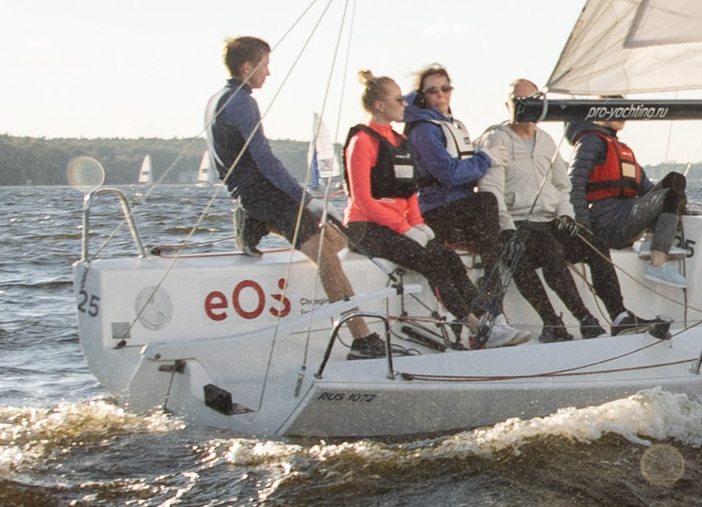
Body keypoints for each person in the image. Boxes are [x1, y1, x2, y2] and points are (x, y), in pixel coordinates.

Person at [205, 35, 382, 359]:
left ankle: (254, 222)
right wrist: (307, 199)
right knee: (326, 257)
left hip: (253, 194)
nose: (268, 73)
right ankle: (361, 338)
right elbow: (264, 158)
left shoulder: (219, 98)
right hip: (261, 193)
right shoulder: (243, 102)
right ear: (248, 67)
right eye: (265, 65)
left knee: (337, 238)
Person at [478, 79, 647, 341]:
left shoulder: (546, 141)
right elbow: (491, 191)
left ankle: (619, 316)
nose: (525, 106)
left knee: (595, 246)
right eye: (518, 101)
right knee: (550, 249)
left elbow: (562, 185)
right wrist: (506, 227)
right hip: (519, 224)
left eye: (532, 100)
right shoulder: (496, 139)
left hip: (551, 221)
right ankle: (582, 321)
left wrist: (566, 215)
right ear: (507, 105)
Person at [342, 72, 488, 345]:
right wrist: (404, 228)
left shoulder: (401, 142)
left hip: (402, 226)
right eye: (398, 99)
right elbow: (362, 198)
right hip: (366, 227)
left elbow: (409, 193)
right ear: (379, 106)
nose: (405, 104)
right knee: (432, 261)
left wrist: (419, 224)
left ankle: (489, 320)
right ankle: (473, 324)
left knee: (449, 258)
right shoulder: (362, 141)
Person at [401, 65, 517, 343]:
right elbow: (448, 173)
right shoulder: (423, 131)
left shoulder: (453, 124)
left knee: (503, 229)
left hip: (461, 208)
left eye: (445, 88)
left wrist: (482, 158)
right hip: (437, 211)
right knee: (487, 204)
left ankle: (494, 310)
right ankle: (495, 312)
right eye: (433, 90)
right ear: (422, 95)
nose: (441, 95)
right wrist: (485, 159)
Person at [569, 116, 690, 289]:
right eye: (615, 112)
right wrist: (583, 227)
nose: (622, 117)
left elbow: (647, 189)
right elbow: (574, 185)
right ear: (599, 114)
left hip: (624, 215)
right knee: (670, 195)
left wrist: (682, 206)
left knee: (674, 181)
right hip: (606, 223)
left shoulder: (621, 148)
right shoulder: (590, 141)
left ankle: (650, 242)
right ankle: (657, 263)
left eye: (625, 112)